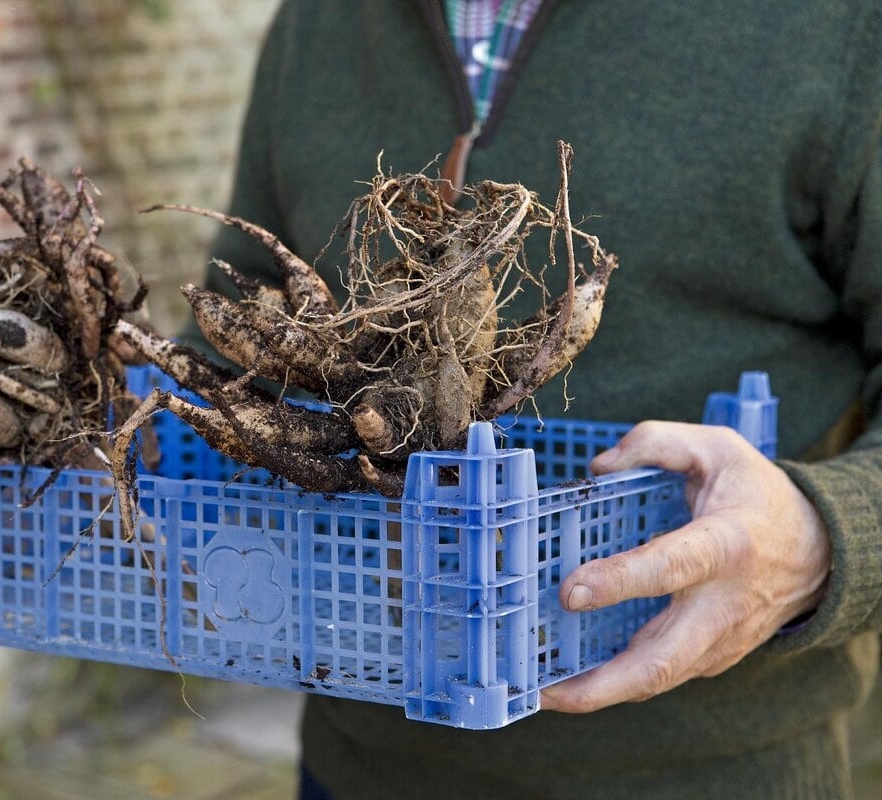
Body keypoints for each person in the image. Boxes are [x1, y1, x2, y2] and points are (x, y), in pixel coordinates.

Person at [187, 1, 882, 797]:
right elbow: (236, 329)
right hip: (361, 761)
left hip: (712, 771)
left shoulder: (844, 24)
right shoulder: (317, 22)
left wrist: (826, 536)